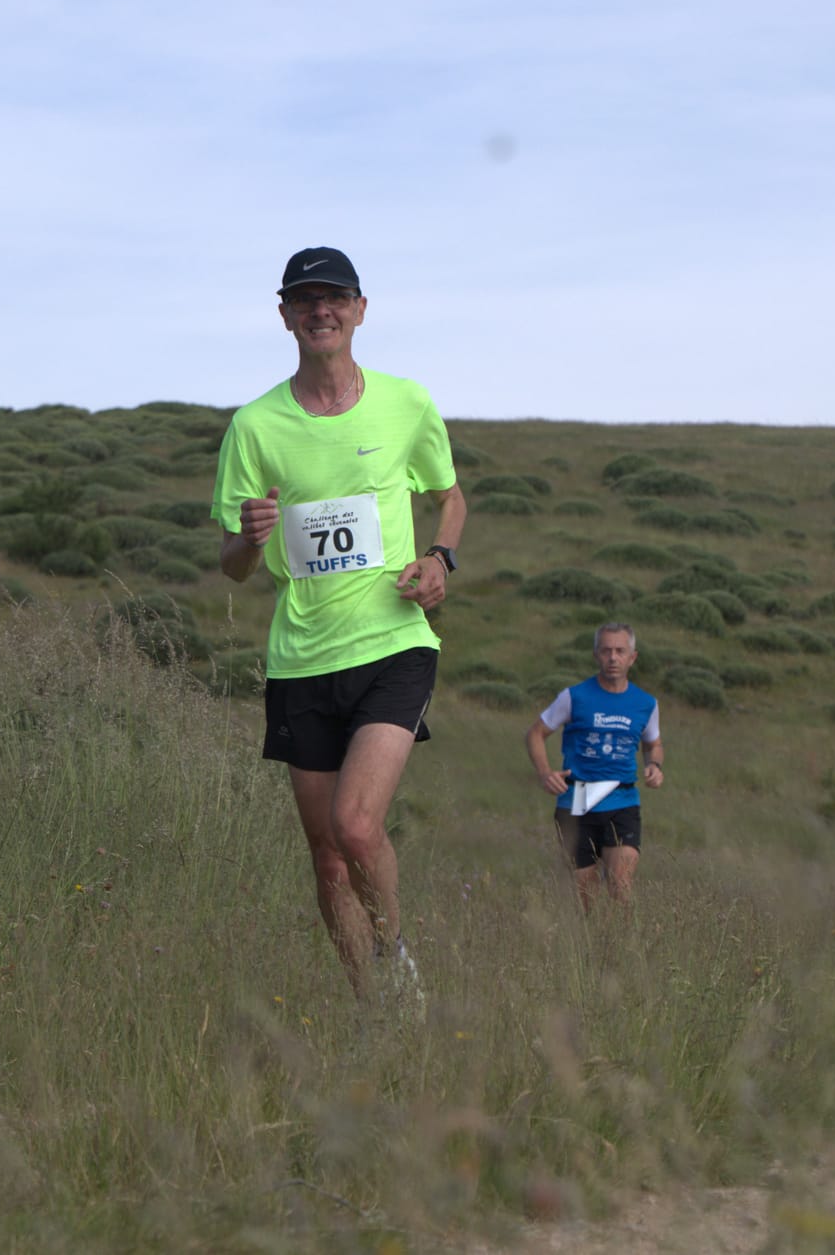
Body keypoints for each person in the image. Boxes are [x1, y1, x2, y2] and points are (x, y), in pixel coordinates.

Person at [212, 246, 467, 998]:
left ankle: (398, 965)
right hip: (302, 658)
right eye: (305, 299)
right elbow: (231, 563)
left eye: (335, 297)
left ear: (359, 310)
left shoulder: (405, 402)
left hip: (393, 642)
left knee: (357, 827)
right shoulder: (255, 426)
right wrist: (249, 539)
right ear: (286, 316)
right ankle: (375, 1011)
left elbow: (451, 494)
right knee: (325, 856)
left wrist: (442, 559)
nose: (320, 310)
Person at [524, 623, 664, 908]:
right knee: (584, 896)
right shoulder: (574, 697)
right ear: (596, 655)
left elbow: (653, 744)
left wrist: (655, 765)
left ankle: (619, 949)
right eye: (606, 651)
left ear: (632, 657)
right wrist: (545, 774)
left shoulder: (645, 703)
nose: (613, 658)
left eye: (620, 651)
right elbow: (535, 734)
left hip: (622, 799)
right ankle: (588, 947)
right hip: (577, 798)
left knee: (621, 886)